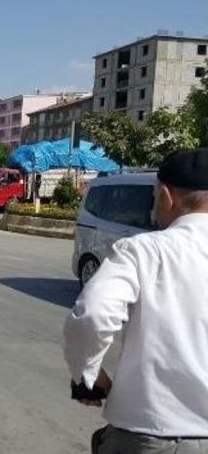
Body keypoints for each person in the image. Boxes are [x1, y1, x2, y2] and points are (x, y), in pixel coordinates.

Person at [63, 148, 208, 454]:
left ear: (167, 196)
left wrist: (87, 374)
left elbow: (92, 315)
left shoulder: (143, 250)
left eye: (155, 197)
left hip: (152, 433)